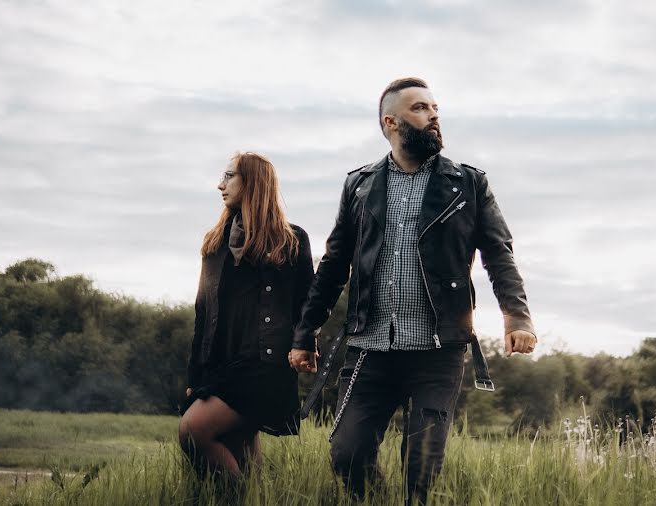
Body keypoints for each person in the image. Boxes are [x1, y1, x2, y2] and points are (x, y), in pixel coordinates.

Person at [289, 77, 537, 505]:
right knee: (346, 453)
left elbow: (499, 254)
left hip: (437, 350)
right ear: (391, 123)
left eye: (435, 109)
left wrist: (517, 316)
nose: (434, 117)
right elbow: (333, 264)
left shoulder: (468, 184)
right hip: (371, 347)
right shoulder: (359, 185)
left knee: (421, 464)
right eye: (421, 109)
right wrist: (305, 331)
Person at [179, 151, 314, 484]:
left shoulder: (291, 241)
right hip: (220, 366)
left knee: (192, 432)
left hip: (264, 368)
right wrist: (194, 376)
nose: (220, 185)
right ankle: (253, 497)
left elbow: (308, 305)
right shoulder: (215, 244)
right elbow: (203, 313)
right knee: (239, 448)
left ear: (252, 182)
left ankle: (237, 498)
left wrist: (306, 344)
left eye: (229, 176)